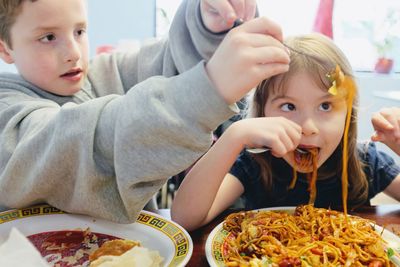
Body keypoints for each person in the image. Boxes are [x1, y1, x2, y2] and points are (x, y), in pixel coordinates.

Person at [0, 0, 291, 222]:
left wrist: (209, 24)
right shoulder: (7, 109)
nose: (73, 52)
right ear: (5, 49)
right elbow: (68, 143)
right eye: (48, 38)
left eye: (79, 31)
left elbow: (173, 61)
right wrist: (208, 87)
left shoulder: (106, 73)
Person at [171, 33, 400, 231]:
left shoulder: (366, 162)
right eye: (289, 106)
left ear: (348, 114)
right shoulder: (255, 164)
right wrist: (234, 136)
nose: (308, 127)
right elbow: (185, 218)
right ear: (263, 112)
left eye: (325, 106)